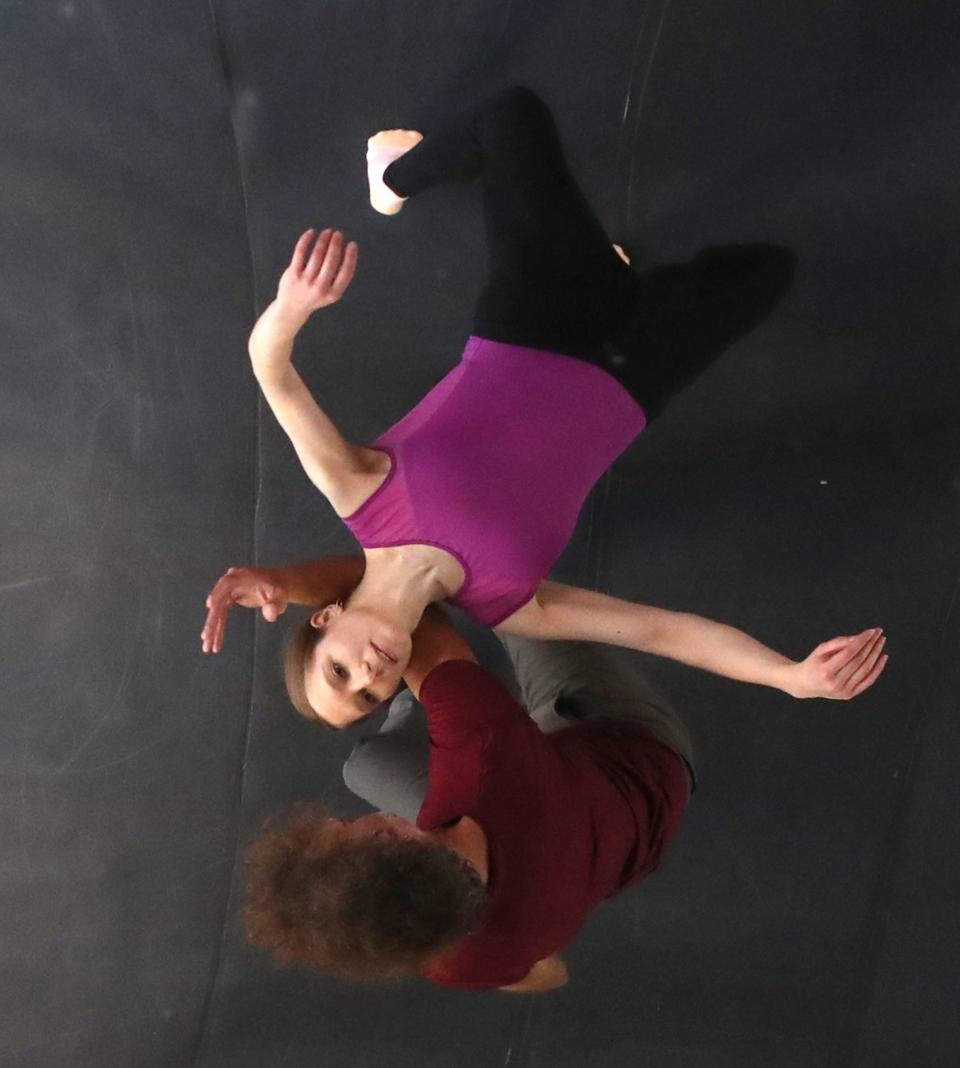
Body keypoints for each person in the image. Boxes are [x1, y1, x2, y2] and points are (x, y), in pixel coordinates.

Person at [202, 88, 887, 724]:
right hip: (639, 373)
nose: (368, 675)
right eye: (371, 695)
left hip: (532, 320)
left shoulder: (359, 494)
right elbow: (659, 630)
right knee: (768, 272)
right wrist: (787, 676)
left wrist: (292, 308)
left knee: (512, 117)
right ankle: (615, 275)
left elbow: (270, 367)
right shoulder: (514, 605)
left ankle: (395, 176)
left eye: (340, 671)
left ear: (326, 621)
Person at [245, 605, 694, 991]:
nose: (338, 822)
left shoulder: (455, 959)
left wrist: (536, 937)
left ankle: (443, 697)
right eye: (346, 830)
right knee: (498, 592)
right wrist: (296, 589)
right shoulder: (481, 764)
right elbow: (401, 616)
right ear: (394, 835)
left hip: (608, 833)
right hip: (633, 747)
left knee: (365, 768)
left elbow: (546, 976)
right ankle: (455, 691)